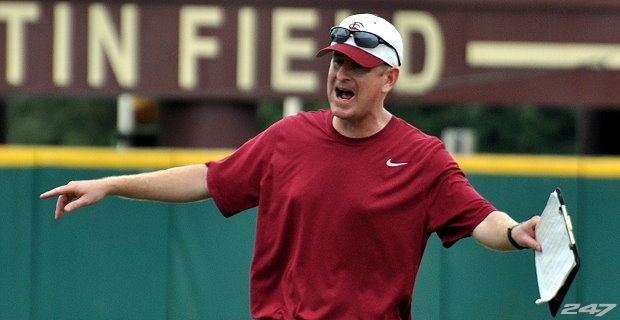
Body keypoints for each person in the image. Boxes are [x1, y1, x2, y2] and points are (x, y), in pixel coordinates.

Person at [41, 13, 541, 320]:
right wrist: (110, 183)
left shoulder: (421, 156)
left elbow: (481, 220)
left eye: (357, 68)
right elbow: (207, 178)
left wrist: (518, 232)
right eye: (336, 63)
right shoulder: (289, 137)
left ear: (389, 78)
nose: (341, 75)